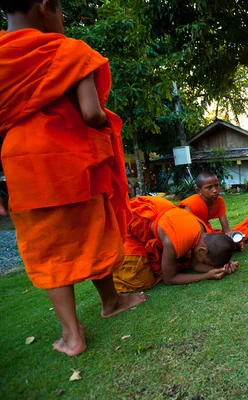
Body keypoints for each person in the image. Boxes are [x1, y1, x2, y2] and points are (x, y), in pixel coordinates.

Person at [0, 0, 146, 357]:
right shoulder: (68, 51)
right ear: (45, 6)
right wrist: (107, 123)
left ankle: (72, 335)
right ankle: (110, 302)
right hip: (69, 159)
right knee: (92, 228)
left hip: (22, 163)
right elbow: (92, 112)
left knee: (46, 244)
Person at [113, 196, 238, 292]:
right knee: (141, 279)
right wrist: (206, 276)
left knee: (181, 259)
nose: (201, 263)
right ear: (203, 250)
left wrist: (221, 269)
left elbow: (194, 265)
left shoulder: (202, 232)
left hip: (162, 214)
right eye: (204, 261)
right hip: (127, 222)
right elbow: (170, 279)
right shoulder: (173, 242)